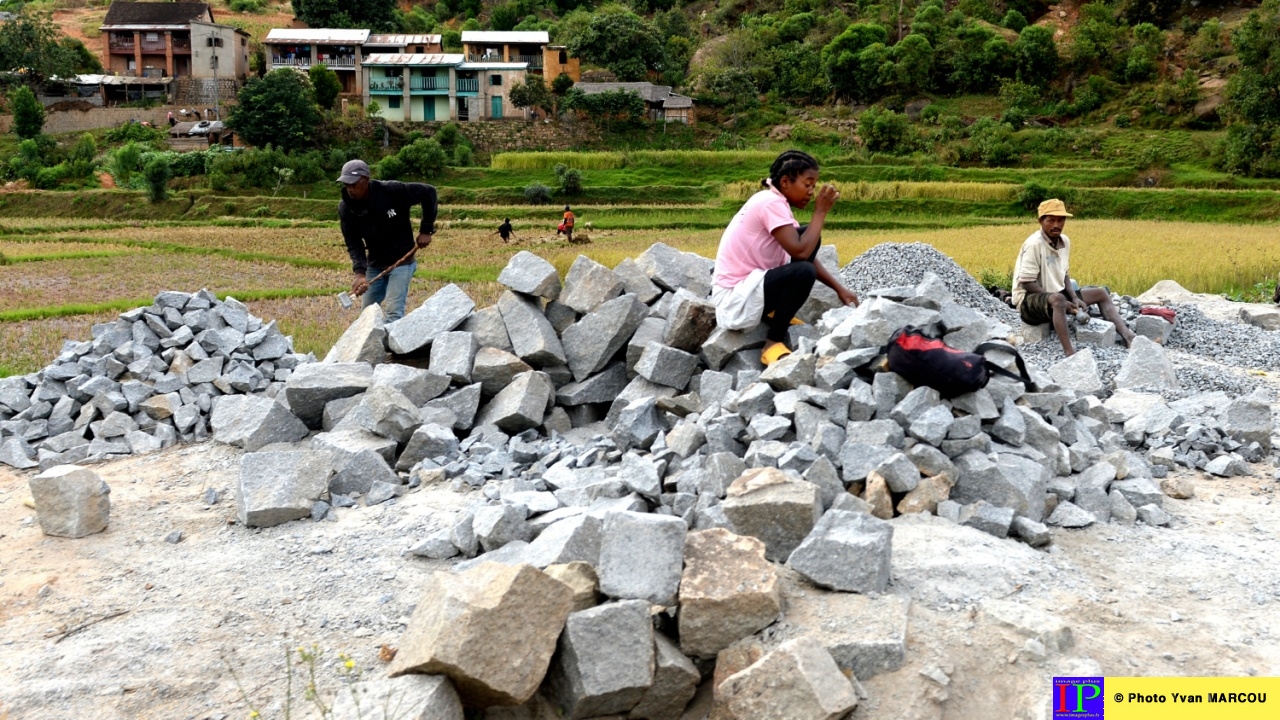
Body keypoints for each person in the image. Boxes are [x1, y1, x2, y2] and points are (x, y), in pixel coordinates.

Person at [711, 150, 859, 366]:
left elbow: (805, 251)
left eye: (814, 186)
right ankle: (772, 343)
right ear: (785, 182)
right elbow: (800, 254)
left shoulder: (774, 201)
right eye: (807, 184)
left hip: (750, 288)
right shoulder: (770, 203)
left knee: (808, 236)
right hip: (735, 302)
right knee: (804, 267)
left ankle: (774, 311)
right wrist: (820, 212)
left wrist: (840, 289)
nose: (811, 191)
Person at [1013, 198, 1135, 356]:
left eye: (1060, 220)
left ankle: (1129, 336)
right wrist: (1060, 300)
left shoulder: (1065, 242)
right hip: (1029, 299)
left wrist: (1074, 298)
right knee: (1058, 300)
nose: (1056, 225)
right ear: (1041, 221)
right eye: (1051, 220)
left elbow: (1064, 273)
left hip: (1054, 293)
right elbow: (1026, 283)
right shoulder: (1034, 244)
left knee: (1101, 293)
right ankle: (1069, 352)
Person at [337, 159, 437, 323]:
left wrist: (426, 230)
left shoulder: (392, 191)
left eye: (354, 184)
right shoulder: (346, 209)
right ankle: (369, 347)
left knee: (393, 313)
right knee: (366, 316)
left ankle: (393, 349)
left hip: (402, 261)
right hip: (375, 264)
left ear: (366, 180)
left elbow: (429, 192)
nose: (350, 189)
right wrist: (360, 273)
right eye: (347, 185)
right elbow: (354, 244)